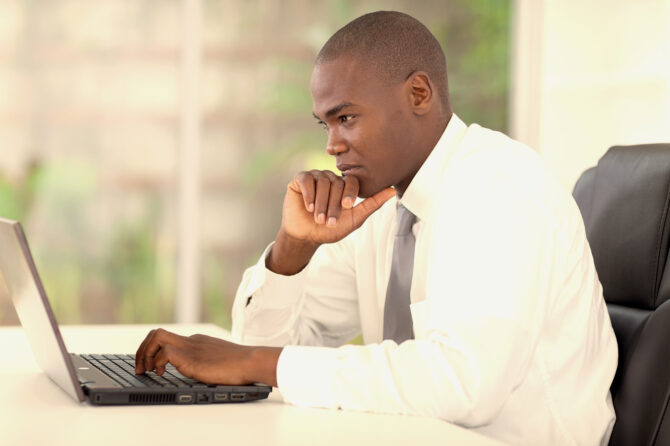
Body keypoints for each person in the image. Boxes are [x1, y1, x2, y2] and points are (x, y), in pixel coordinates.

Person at [135, 11, 617, 445]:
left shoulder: (499, 186)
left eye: (345, 118)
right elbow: (263, 350)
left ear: (418, 94)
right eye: (324, 124)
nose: (331, 145)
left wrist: (257, 364)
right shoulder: (383, 206)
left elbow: (463, 383)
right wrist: (292, 250)